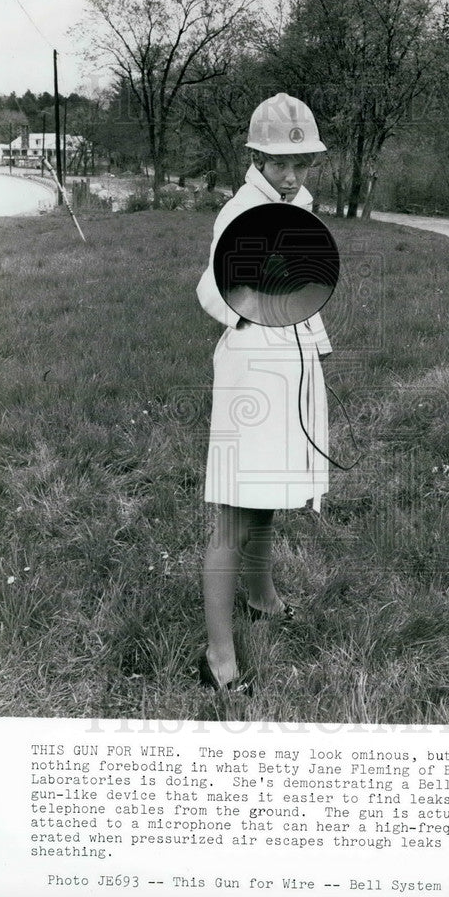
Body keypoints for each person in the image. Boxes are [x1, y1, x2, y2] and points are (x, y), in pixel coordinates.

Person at [195, 93, 331, 692]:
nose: (292, 175)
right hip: (252, 369)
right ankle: (218, 654)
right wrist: (245, 313)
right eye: (280, 163)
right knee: (233, 512)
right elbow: (212, 288)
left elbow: (308, 282)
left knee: (270, 493)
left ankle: (261, 595)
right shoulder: (239, 213)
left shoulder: (301, 204)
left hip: (292, 365)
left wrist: (314, 341)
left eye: (301, 163)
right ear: (255, 157)